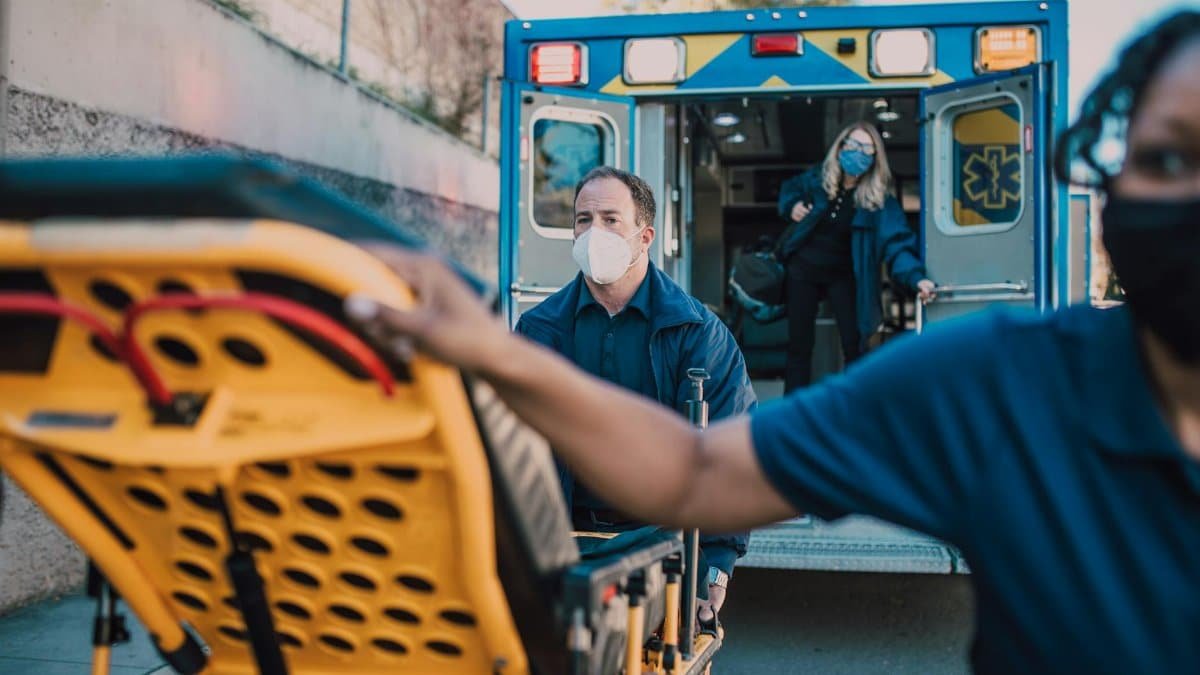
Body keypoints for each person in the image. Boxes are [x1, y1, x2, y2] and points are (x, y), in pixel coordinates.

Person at [346, 12, 1200, 672]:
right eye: (1168, 160)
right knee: (797, 357)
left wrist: (916, 273)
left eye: (610, 219)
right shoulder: (1002, 384)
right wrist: (491, 352)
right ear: (1111, 178)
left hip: (850, 291)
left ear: (647, 234)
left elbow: (897, 243)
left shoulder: (732, 311)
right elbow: (696, 469)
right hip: (801, 288)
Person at [514, 166, 755, 629]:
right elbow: (511, 444)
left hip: (660, 544)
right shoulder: (540, 330)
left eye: (610, 219)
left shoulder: (698, 335)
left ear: (645, 237)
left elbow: (731, 447)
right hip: (561, 542)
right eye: (583, 220)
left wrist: (716, 561)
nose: (592, 232)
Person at [776, 122, 936, 391]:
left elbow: (896, 242)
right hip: (803, 270)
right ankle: (793, 410)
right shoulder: (816, 180)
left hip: (845, 275)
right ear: (839, 148)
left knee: (855, 344)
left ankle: (854, 410)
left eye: (866, 148)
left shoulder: (879, 202)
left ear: (875, 158)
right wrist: (791, 207)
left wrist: (917, 279)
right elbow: (789, 190)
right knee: (799, 346)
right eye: (852, 145)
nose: (857, 152)